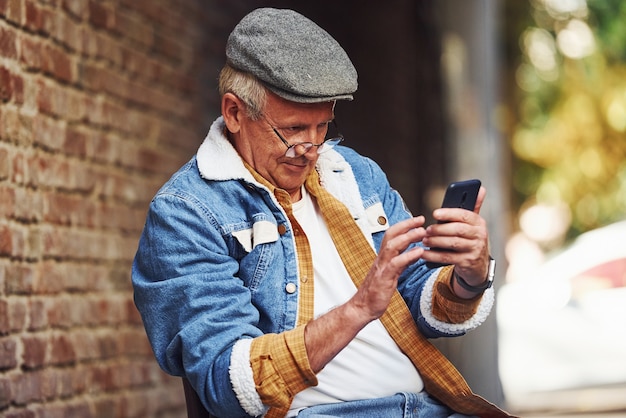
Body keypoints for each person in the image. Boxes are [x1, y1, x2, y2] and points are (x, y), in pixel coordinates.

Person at [132, 7, 514, 418]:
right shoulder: (186, 213)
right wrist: (359, 308)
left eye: (323, 127)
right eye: (294, 129)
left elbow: (421, 300)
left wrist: (469, 278)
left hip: (427, 405)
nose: (311, 150)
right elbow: (228, 383)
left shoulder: (355, 174)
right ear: (235, 113)